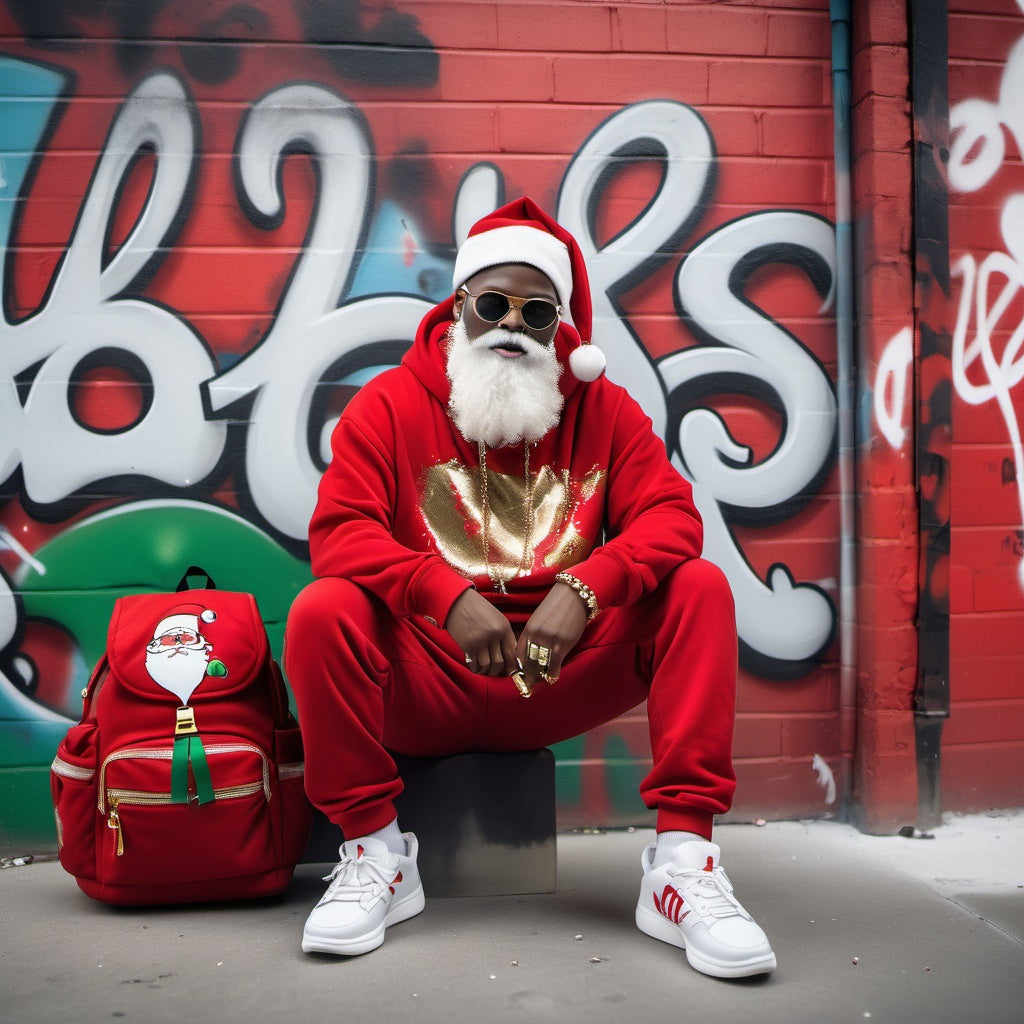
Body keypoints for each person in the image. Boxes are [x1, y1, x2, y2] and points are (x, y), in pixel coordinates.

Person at [284, 197, 776, 979]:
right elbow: (339, 534)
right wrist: (439, 592)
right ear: (458, 309)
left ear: (562, 330)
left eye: (537, 312)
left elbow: (674, 520)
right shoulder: (386, 405)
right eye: (492, 305)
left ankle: (684, 864)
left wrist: (586, 588)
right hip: (431, 676)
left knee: (699, 588)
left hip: (560, 675)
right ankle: (378, 854)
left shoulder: (605, 412)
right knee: (324, 609)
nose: (511, 327)